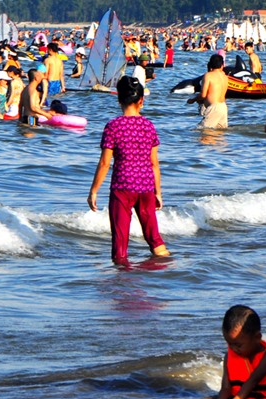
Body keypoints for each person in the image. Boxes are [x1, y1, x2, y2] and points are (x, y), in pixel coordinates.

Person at [87, 76, 170, 266]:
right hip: (146, 187)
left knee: (120, 246)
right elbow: (154, 164)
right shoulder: (149, 126)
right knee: (154, 239)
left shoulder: (113, 126)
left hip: (122, 188)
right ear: (141, 100)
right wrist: (158, 192)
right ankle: (169, 276)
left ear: (118, 99)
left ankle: (123, 286)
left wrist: (93, 191)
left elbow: (105, 164)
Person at [206, 305, 266, 399]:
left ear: (257, 337)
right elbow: (226, 388)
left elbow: (252, 381)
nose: (233, 349)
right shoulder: (229, 356)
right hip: (238, 397)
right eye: (229, 343)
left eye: (238, 345)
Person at [187, 54, 229, 129]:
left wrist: (193, 100)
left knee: (203, 131)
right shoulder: (225, 77)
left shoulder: (208, 75)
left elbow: (203, 95)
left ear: (210, 65)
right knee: (220, 135)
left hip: (214, 108)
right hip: (223, 107)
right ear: (222, 65)